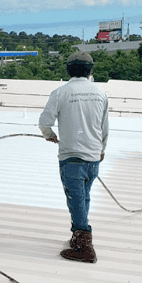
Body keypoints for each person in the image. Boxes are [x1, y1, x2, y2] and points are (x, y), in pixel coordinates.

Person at [38, 51, 109, 264]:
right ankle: (79, 235)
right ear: (90, 70)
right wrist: (101, 149)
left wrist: (50, 136)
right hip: (93, 156)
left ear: (69, 69)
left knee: (76, 199)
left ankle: (84, 246)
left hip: (71, 156)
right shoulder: (100, 93)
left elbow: (44, 122)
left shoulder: (60, 92)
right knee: (84, 197)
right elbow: (104, 127)